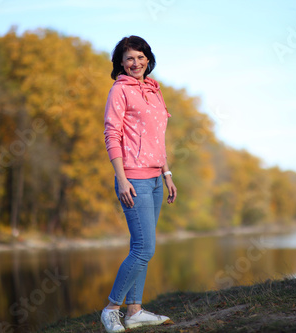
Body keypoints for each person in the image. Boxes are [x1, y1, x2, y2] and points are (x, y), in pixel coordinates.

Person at [101, 35, 177, 333]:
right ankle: (111, 309)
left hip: (156, 178)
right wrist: (121, 179)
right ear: (121, 62)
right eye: (130, 58)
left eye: (141, 57)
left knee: (140, 245)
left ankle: (134, 312)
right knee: (144, 248)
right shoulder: (119, 91)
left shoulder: (155, 90)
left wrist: (167, 174)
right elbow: (112, 135)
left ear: (148, 59)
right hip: (133, 178)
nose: (136, 63)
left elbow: (158, 138)